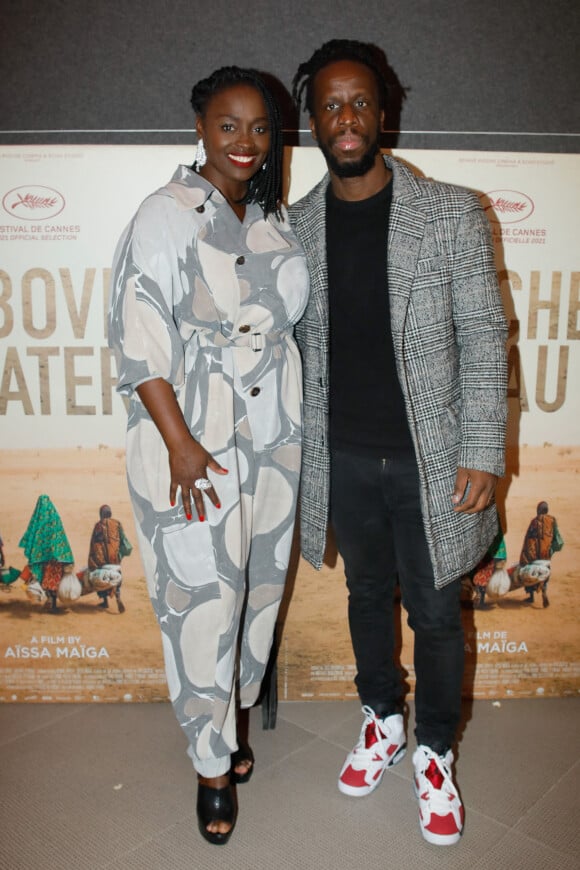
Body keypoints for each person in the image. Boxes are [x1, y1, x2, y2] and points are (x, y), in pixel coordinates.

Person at [289, 39, 507, 846]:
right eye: (331, 106)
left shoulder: (450, 210)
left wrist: (483, 448)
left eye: (360, 103)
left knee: (438, 612)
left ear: (385, 113)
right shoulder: (294, 225)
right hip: (341, 457)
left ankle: (436, 751)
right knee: (363, 598)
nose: (346, 119)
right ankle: (381, 718)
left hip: (432, 458)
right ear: (313, 121)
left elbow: (485, 335)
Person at [108, 66, 309, 845]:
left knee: (257, 593)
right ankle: (209, 766)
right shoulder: (166, 213)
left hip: (273, 444)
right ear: (199, 127)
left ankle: (235, 727)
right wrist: (182, 445)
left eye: (260, 127)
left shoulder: (271, 217)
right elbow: (137, 339)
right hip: (192, 439)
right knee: (199, 600)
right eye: (229, 124)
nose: (246, 142)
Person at [18, 494, 75, 612]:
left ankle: (50, 601)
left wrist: (37, 554)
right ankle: (52, 603)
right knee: (54, 580)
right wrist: (64, 554)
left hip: (43, 559)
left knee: (46, 579)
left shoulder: (37, 520)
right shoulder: (54, 517)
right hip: (56, 558)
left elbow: (32, 536)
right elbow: (61, 536)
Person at [87, 504, 133, 612]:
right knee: (116, 576)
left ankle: (105, 601)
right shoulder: (117, 524)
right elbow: (124, 541)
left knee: (102, 577)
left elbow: (94, 545)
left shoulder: (98, 525)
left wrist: (92, 560)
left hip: (101, 559)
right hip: (114, 558)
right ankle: (117, 596)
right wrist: (119, 553)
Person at [519, 500, 563, 606]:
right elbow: (559, 541)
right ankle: (544, 591)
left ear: (538, 511)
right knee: (544, 572)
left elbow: (528, 540)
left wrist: (524, 555)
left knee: (529, 571)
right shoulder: (552, 521)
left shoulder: (534, 522)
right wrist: (551, 550)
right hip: (545, 554)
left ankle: (531, 596)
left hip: (533, 554)